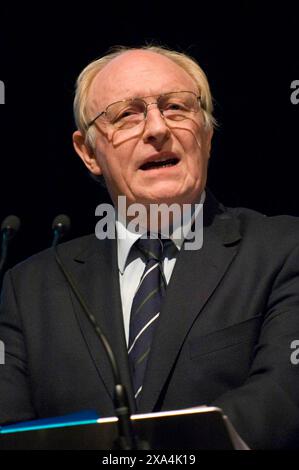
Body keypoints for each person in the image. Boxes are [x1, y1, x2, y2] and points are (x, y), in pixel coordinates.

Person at [1, 45, 299, 450]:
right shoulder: (27, 289)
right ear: (88, 153)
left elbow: (282, 395)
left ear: (207, 136)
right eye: (127, 114)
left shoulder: (283, 249)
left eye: (176, 107)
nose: (157, 128)